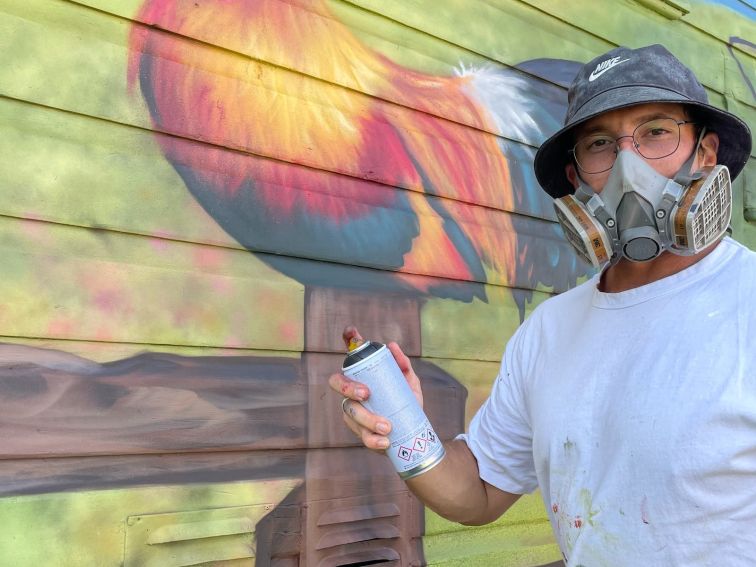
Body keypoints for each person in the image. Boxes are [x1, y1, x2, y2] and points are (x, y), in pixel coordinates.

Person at [329, 44, 755, 565]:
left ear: (706, 154)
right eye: (601, 144)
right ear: (577, 179)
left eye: (656, 132)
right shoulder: (549, 330)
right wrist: (403, 427)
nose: (629, 164)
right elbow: (478, 493)